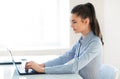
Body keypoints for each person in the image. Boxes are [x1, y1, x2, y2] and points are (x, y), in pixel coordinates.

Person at [25, 2, 104, 79]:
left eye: (74, 22)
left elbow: (74, 67)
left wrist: (42, 70)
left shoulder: (95, 43)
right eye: (71, 22)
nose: (71, 25)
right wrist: (41, 65)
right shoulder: (81, 40)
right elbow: (64, 58)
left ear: (86, 21)